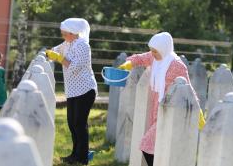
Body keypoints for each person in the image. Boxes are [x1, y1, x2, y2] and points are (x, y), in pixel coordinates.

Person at [118, 32, 205, 166]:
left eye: (155, 51)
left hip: (169, 109)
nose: (152, 54)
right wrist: (128, 63)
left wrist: (197, 111)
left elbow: (188, 87)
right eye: (151, 51)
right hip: (156, 108)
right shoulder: (154, 58)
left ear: (164, 49)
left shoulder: (177, 65)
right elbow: (141, 58)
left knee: (146, 144)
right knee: (157, 146)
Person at [46, 18, 97, 165]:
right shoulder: (68, 43)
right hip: (73, 90)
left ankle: (82, 158)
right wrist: (48, 53)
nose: (63, 36)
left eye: (64, 34)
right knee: (71, 123)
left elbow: (73, 67)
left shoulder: (83, 46)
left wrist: (60, 58)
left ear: (73, 33)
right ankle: (75, 155)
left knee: (79, 124)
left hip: (85, 90)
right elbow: (55, 50)